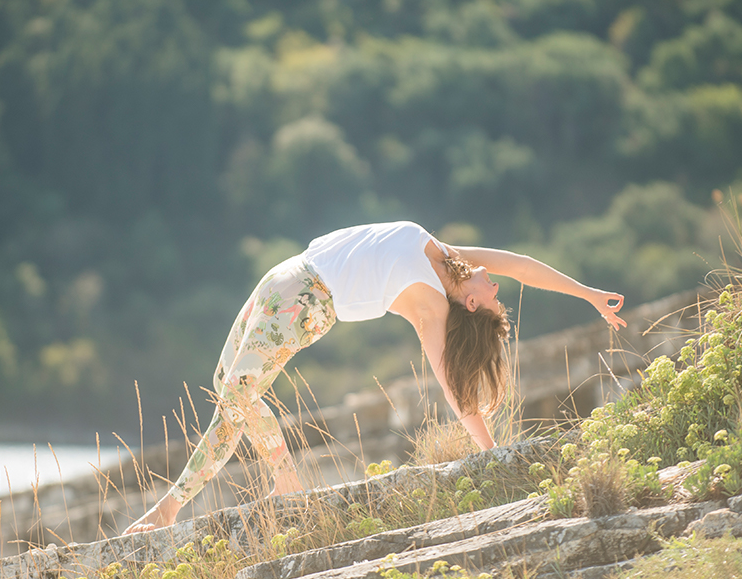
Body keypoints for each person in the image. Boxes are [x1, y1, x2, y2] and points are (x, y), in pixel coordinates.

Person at [123, 220, 625, 534]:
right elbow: (520, 266)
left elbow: (451, 382)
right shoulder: (442, 253)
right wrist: (588, 294)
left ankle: (275, 481)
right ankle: (189, 502)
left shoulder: (430, 304)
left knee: (237, 392)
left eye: (491, 292)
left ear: (469, 302)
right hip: (286, 274)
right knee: (226, 390)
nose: (495, 283)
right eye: (494, 286)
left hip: (307, 300)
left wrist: (489, 450)